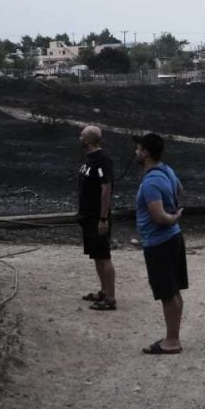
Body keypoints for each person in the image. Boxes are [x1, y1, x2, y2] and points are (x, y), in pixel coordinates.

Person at [133, 132, 187, 354]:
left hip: (160, 242)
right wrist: (171, 204)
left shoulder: (151, 182)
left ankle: (172, 342)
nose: (135, 152)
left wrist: (173, 216)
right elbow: (180, 190)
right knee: (173, 291)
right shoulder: (166, 171)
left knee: (167, 293)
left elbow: (159, 217)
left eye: (138, 149)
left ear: (145, 152)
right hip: (174, 238)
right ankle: (173, 336)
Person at [77, 124, 116, 311]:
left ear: (89, 140)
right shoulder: (89, 159)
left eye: (81, 135)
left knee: (104, 255)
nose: (79, 138)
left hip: (97, 218)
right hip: (88, 217)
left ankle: (110, 298)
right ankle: (103, 291)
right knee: (96, 256)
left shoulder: (102, 160)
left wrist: (103, 219)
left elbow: (106, 189)